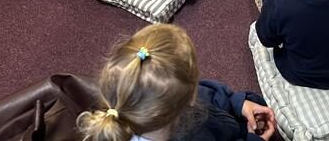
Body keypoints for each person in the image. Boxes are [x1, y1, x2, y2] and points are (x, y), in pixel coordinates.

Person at [76, 23, 276, 141]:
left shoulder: (121, 115)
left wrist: (239, 103)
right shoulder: (196, 133)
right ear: (190, 98)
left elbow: (209, 93)